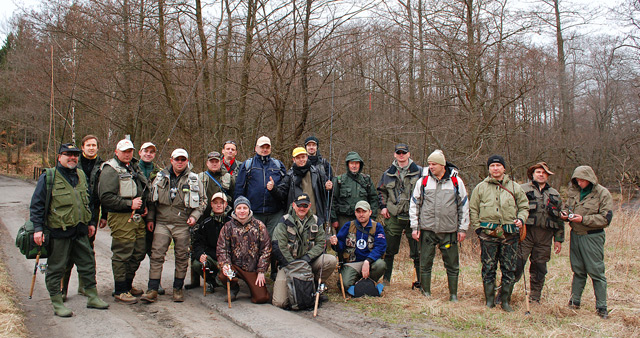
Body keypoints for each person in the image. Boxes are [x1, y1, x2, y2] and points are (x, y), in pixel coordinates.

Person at [30, 143, 109, 317]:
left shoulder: (80, 175)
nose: (72, 157)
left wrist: (90, 222)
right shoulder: (49, 177)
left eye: (75, 155)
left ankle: (92, 296)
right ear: (59, 157)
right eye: (68, 154)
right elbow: (37, 205)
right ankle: (57, 302)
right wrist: (37, 229)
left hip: (80, 231)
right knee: (57, 268)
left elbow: (86, 201)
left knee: (88, 265)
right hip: (59, 232)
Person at [141, 148, 206, 303]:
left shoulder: (194, 179)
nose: (180, 162)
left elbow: (203, 202)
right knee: (157, 255)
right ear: (171, 160)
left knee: (182, 256)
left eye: (183, 159)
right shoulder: (159, 177)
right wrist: (150, 219)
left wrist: (194, 216)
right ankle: (152, 289)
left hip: (182, 223)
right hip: (162, 222)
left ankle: (178, 288)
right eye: (177, 159)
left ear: (187, 161)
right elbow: (151, 201)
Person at [470, 155, 529, 312]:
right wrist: (477, 228)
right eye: (492, 166)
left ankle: (505, 302)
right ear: (488, 169)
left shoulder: (516, 187)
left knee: (508, 268)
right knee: (488, 267)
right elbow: (473, 209)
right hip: (487, 234)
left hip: (510, 235)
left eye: (498, 165)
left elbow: (524, 207)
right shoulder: (480, 188)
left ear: (504, 168)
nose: (495, 168)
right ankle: (489, 301)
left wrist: (521, 219)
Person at [409, 150, 469, 301]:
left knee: (452, 265)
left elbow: (464, 206)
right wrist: (415, 227)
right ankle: (426, 292)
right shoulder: (422, 181)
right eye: (429, 164)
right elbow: (414, 205)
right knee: (425, 262)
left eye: (434, 164)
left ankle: (453, 295)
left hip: (449, 231)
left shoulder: (456, 182)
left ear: (442, 165)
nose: (431, 167)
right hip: (427, 231)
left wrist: (462, 228)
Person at [98, 138, 149, 304]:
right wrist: (129, 204)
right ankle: (120, 290)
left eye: (130, 151)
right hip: (120, 217)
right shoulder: (110, 169)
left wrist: (143, 206)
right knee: (123, 252)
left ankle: (128, 284)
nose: (127, 155)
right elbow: (106, 198)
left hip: (136, 216)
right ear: (116, 152)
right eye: (124, 152)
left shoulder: (133, 166)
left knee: (139, 250)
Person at [561, 165, 613, 319]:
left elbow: (606, 218)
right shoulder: (574, 192)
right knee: (578, 270)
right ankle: (574, 302)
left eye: (583, 179)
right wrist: (565, 215)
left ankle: (601, 307)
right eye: (577, 179)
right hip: (576, 235)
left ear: (590, 179)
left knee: (596, 271)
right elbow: (567, 208)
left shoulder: (602, 193)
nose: (580, 182)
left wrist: (584, 219)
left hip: (592, 237)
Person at [272, 193, 337, 308]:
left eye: (305, 205)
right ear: (293, 205)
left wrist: (307, 258)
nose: (302, 208)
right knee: (279, 303)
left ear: (310, 206)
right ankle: (295, 285)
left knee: (330, 260)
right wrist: (292, 264)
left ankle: (314, 283)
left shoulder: (317, 221)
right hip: (289, 265)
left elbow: (321, 243)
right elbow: (278, 246)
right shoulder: (284, 221)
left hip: (308, 262)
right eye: (299, 205)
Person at [61, 135, 105, 300]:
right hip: (72, 213)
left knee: (87, 251)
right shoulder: (73, 164)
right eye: (88, 145)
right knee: (68, 251)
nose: (91, 148)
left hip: (92, 210)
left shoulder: (102, 166)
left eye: (94, 145)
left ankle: (85, 286)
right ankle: (62, 288)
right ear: (83, 147)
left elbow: (104, 192)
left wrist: (102, 215)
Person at [514, 162, 564, 304]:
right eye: (538, 172)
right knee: (516, 264)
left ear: (548, 176)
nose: (541, 175)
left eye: (544, 173)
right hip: (525, 235)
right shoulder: (521, 190)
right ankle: (504, 294)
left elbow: (559, 218)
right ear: (533, 174)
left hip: (545, 237)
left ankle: (535, 298)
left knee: (540, 267)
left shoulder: (555, 194)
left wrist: (559, 239)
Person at [377, 143, 421, 286]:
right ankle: (386, 280)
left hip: (413, 217)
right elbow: (381, 192)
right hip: (393, 216)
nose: (401, 155)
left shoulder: (419, 172)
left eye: (404, 152)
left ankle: (420, 280)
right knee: (388, 250)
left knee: (417, 251)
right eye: (398, 152)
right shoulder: (387, 174)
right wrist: (383, 207)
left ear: (409, 154)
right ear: (395, 155)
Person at [216, 197, 271, 304]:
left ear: (249, 210)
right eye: (239, 208)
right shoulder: (227, 227)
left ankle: (252, 288)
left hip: (252, 269)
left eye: (245, 208)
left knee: (261, 298)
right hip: (235, 266)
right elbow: (222, 248)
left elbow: (266, 249)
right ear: (235, 210)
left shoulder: (259, 226)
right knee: (223, 275)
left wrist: (261, 270)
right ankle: (233, 287)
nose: (242, 211)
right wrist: (225, 265)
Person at [234, 136, 286, 237]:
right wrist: (238, 208)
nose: (265, 150)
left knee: (274, 243)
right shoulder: (248, 165)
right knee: (254, 242)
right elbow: (239, 189)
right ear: (256, 148)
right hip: (254, 212)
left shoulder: (278, 165)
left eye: (267, 147)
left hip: (275, 213)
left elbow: (284, 190)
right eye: (262, 147)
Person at [330, 201, 387, 290]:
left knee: (381, 265)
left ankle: (369, 282)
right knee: (344, 284)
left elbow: (381, 247)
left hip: (370, 262)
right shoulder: (348, 226)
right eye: (358, 212)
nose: (361, 214)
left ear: (370, 212)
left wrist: (368, 261)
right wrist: (335, 243)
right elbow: (340, 246)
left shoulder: (377, 227)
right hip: (353, 262)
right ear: (355, 213)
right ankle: (358, 282)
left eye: (364, 212)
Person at [268, 147, 331, 224]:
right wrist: (273, 189)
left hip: (315, 217)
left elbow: (325, 194)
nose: (301, 160)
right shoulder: (289, 176)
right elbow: (281, 195)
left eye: (303, 157)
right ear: (293, 160)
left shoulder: (318, 173)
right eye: (298, 158)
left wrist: (328, 188)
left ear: (307, 157)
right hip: (295, 219)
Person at [137, 141, 165, 295]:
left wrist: (150, 218)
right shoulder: (133, 169)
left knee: (155, 251)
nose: (148, 154)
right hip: (134, 214)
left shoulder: (159, 173)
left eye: (151, 152)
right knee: (135, 251)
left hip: (153, 216)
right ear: (140, 152)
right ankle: (126, 283)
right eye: (145, 151)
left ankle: (155, 282)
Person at [191, 192, 231, 293]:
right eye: (215, 203)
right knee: (197, 264)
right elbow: (198, 243)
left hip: (228, 259)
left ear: (226, 205)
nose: (218, 205)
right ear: (211, 204)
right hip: (212, 257)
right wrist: (200, 254)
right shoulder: (205, 223)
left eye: (221, 203)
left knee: (226, 280)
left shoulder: (232, 223)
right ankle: (211, 281)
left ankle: (231, 285)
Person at [331, 151, 379, 232]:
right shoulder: (339, 180)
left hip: (363, 218)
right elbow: (332, 200)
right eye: (352, 163)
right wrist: (334, 219)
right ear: (348, 165)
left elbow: (374, 198)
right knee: (342, 242)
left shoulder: (366, 180)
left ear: (360, 165)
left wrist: (372, 217)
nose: (354, 166)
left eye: (356, 163)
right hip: (344, 218)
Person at [199, 151, 235, 217]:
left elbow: (233, 196)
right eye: (212, 162)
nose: (214, 164)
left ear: (221, 163)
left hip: (225, 215)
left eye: (216, 162)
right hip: (204, 215)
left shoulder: (228, 177)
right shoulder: (200, 177)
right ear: (207, 163)